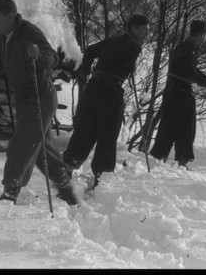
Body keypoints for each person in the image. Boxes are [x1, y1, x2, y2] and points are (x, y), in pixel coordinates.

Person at [0, 0, 82, 206]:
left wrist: (38, 56)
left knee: (22, 144)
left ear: (11, 16)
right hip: (24, 100)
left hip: (40, 98)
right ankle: (65, 187)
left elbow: (52, 57)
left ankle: (10, 191)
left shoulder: (29, 33)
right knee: (40, 148)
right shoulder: (5, 37)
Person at [63, 14, 150, 189]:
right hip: (111, 90)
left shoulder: (112, 41)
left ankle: (68, 164)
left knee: (87, 127)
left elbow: (89, 50)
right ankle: (102, 174)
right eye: (144, 30)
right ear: (133, 29)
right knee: (108, 132)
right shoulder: (133, 44)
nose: (146, 34)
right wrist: (131, 62)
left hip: (93, 87)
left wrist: (86, 70)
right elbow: (130, 64)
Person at [149, 19, 206, 168]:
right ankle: (182, 161)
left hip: (170, 90)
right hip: (182, 91)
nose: (204, 39)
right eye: (204, 36)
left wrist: (204, 79)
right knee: (186, 127)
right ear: (200, 35)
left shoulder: (180, 47)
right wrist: (205, 82)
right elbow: (189, 71)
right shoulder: (190, 49)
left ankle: (158, 156)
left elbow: (189, 69)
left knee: (168, 124)